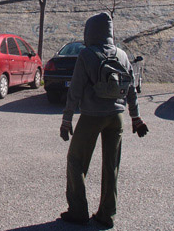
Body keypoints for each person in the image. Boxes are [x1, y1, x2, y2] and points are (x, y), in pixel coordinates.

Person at [59, 12, 148, 228]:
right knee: (111, 165)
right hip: (117, 117)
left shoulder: (87, 54)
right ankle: (107, 215)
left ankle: (78, 211)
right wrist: (136, 117)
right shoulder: (122, 55)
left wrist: (67, 120)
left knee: (76, 161)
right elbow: (132, 91)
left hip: (92, 116)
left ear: (90, 31)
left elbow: (76, 90)